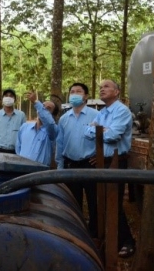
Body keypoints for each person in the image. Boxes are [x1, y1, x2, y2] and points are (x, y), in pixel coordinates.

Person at [84, 79, 136, 258]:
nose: (102, 89)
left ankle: (127, 241)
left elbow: (113, 136)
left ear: (117, 92)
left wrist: (98, 130)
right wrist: (99, 130)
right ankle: (108, 236)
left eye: (106, 87)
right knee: (104, 201)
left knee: (114, 201)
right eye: (100, 87)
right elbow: (87, 131)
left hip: (116, 161)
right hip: (102, 160)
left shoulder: (122, 111)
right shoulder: (103, 112)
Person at [56, 82, 99, 237]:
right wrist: (60, 165)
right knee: (73, 201)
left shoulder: (96, 116)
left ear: (86, 96)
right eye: (72, 91)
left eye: (78, 91)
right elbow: (60, 143)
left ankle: (95, 232)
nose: (74, 94)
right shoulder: (64, 118)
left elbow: (105, 137)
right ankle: (76, 230)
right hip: (70, 164)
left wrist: (100, 156)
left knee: (94, 200)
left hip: (89, 164)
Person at [16, 91, 59, 166]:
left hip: (40, 174)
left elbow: (49, 122)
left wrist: (36, 101)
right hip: (22, 171)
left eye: (48, 109)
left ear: (52, 115)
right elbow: (18, 149)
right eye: (43, 107)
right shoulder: (24, 127)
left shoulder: (53, 131)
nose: (43, 109)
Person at [0, 88, 26, 154]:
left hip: (15, 151)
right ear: (3, 99)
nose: (8, 98)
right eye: (6, 96)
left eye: (11, 96)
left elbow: (23, 134)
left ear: (14, 99)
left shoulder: (21, 115)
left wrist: (23, 150)